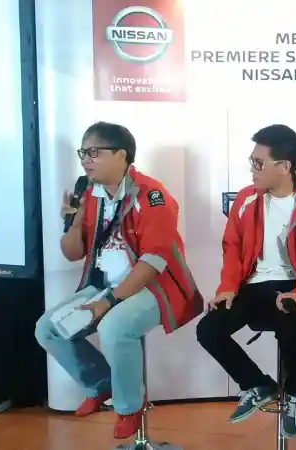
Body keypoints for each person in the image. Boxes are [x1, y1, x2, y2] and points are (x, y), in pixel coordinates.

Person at [34, 122, 203, 439]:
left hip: (156, 287)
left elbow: (154, 261)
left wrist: (108, 302)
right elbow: (72, 253)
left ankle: (129, 406)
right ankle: (103, 385)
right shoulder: (90, 193)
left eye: (94, 152)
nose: (86, 160)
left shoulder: (152, 195)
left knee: (114, 326)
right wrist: (73, 222)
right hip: (105, 285)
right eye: (83, 152)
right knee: (48, 329)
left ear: (121, 155)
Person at [196, 124, 296, 439]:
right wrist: (227, 289)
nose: (252, 169)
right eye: (252, 161)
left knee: (289, 317)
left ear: (284, 166)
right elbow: (232, 249)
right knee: (208, 329)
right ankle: (257, 384)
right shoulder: (246, 199)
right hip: (250, 287)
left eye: (259, 163)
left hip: (294, 286)